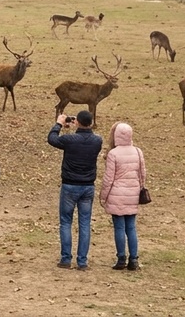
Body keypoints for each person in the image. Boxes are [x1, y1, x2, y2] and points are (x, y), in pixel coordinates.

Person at [48, 109, 103, 270]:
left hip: (70, 185)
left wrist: (59, 123)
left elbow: (52, 139)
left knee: (66, 222)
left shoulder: (69, 140)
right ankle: (82, 261)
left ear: (77, 122)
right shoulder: (97, 141)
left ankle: (66, 258)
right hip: (87, 186)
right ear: (91, 123)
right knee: (85, 223)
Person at [101, 121, 147, 271]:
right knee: (131, 227)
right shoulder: (138, 152)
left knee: (119, 227)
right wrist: (140, 188)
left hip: (116, 194)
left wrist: (103, 196)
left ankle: (121, 258)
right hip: (133, 193)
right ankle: (134, 259)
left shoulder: (113, 154)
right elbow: (142, 174)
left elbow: (108, 179)